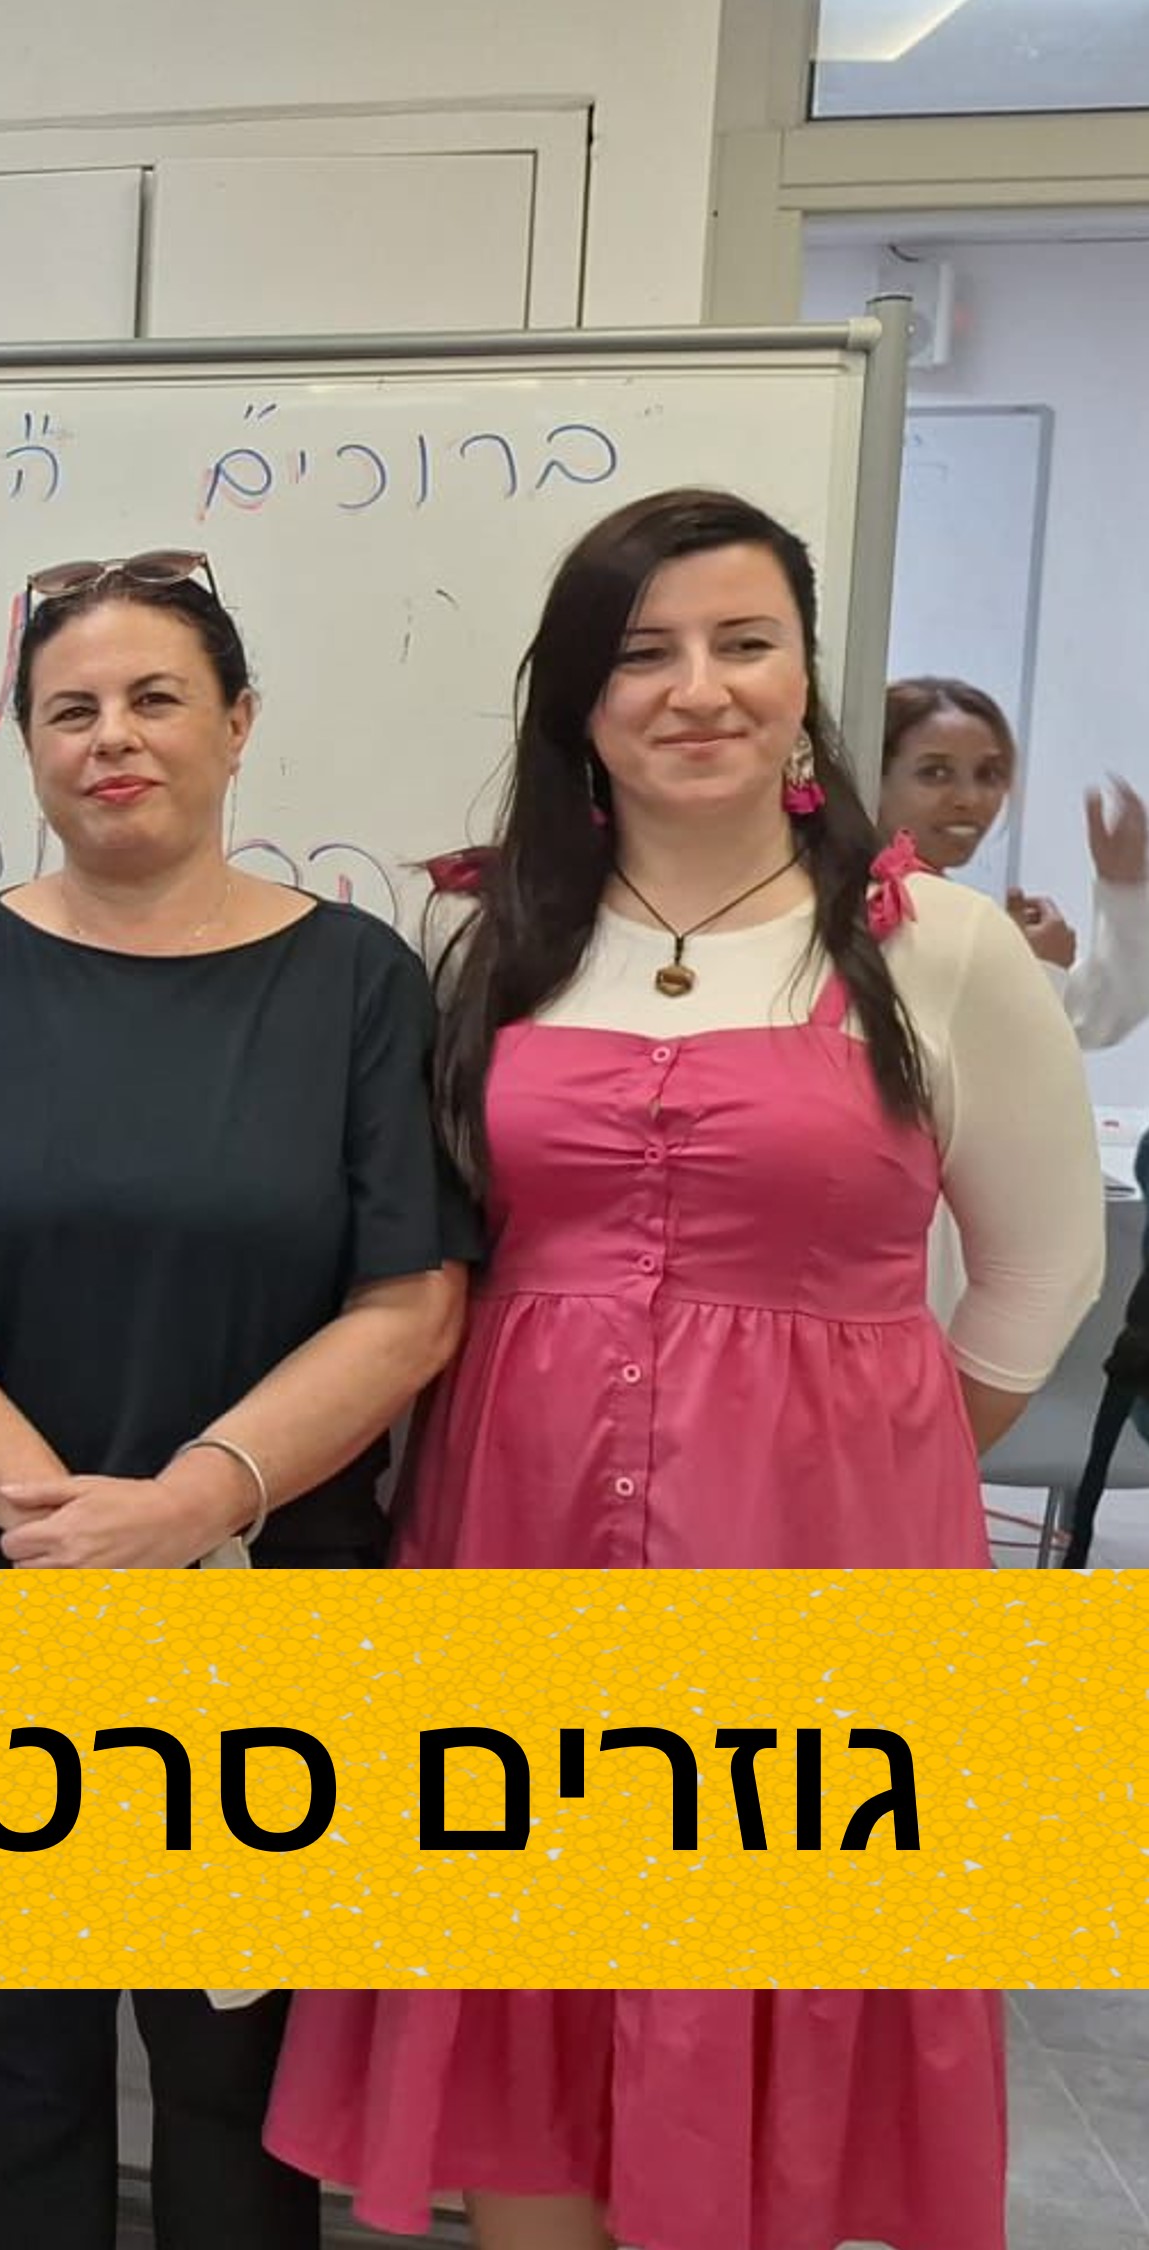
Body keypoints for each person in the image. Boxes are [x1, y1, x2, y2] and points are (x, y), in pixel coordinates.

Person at [266, 489, 1104, 2250]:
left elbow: (1039, 1271)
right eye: (642, 652)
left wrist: (873, 1480)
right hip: (514, 1555)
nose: (696, 688)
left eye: (744, 643)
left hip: (821, 1581)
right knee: (530, 1980)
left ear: (806, 677)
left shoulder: (936, 944)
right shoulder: (482, 938)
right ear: (578, 696)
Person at [0, 551, 470, 2250]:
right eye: (68, 708)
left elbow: (410, 1302)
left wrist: (185, 1506)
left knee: (236, 2075)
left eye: (156, 698)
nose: (113, 737)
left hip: (261, 1595)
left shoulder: (354, 982)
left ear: (236, 724)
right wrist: (55, 1522)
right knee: (16, 2056)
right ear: (25, 743)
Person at [875, 673, 1149, 1047]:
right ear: (873, 775)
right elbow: (975, 1064)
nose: (969, 798)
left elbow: (1091, 1018)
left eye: (988, 774)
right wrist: (1032, 971)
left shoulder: (950, 909)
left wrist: (1123, 888)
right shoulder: (858, 908)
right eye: (935, 773)